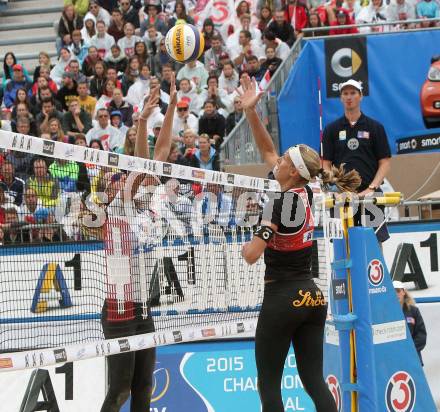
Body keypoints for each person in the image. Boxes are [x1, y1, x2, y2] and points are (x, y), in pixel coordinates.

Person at [238, 76, 359, 412]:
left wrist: (242, 241)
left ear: (292, 173)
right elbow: (268, 150)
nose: (277, 162)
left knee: (269, 390)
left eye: (284, 162)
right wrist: (251, 113)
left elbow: (251, 255)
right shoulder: (306, 190)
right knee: (314, 383)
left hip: (281, 298)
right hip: (312, 295)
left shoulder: (276, 204)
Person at [99, 76, 177, 412]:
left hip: (143, 303)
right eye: (113, 178)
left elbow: (157, 156)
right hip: (119, 309)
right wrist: (142, 122)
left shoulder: (147, 200)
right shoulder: (118, 205)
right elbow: (141, 167)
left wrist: (171, 107)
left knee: (144, 386)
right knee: (119, 392)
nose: (117, 181)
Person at [322, 79, 392, 243]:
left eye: (353, 93)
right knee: (342, 243)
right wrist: (333, 186)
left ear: (360, 96)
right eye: (345, 93)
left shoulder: (375, 127)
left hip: (371, 196)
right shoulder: (331, 129)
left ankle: (375, 270)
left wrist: (371, 188)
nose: (349, 97)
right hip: (342, 198)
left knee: (374, 243)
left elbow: (385, 162)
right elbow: (325, 163)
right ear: (340, 98)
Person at [393, 281, 427, 364]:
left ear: (403, 292)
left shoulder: (413, 311)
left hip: (413, 358)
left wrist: (409, 350)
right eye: (393, 292)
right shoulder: (385, 312)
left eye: (398, 291)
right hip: (393, 360)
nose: (396, 294)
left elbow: (421, 335)